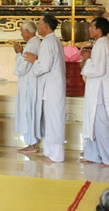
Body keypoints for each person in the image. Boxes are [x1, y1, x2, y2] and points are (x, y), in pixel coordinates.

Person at [80, 17, 109, 166]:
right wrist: (87, 60)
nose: (89, 29)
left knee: (102, 126)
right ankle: (93, 154)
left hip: (100, 93)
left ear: (99, 30)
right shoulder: (100, 44)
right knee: (94, 124)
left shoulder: (101, 45)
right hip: (97, 90)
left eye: (92, 27)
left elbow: (99, 70)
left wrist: (87, 60)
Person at [24, 14, 66, 163]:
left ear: (46, 27)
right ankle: (49, 151)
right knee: (48, 120)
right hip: (50, 87)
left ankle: (57, 155)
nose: (38, 26)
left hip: (52, 88)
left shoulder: (48, 42)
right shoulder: (52, 41)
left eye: (40, 24)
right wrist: (37, 61)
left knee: (54, 120)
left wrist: (34, 61)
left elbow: (44, 66)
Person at [13, 20, 40, 153]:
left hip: (29, 84)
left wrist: (18, 53)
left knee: (27, 112)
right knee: (30, 112)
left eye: (22, 31)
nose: (21, 34)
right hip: (31, 83)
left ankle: (31, 144)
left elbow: (23, 68)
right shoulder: (35, 43)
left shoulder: (31, 45)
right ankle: (31, 142)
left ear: (28, 32)